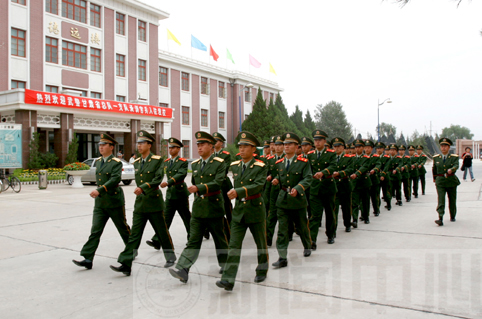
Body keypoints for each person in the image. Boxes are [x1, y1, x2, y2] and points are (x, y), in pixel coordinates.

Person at [110, 130, 176, 276]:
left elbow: (158, 178)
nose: (139, 146)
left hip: (154, 202)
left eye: (142, 143)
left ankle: (170, 256)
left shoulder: (157, 160)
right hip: (140, 204)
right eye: (138, 143)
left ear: (149, 144)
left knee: (162, 232)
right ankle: (126, 263)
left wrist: (143, 187)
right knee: (135, 235)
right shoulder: (137, 162)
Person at [169, 132, 229, 283]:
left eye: (202, 145)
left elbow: (218, 183)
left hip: (214, 206)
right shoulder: (195, 164)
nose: (199, 147)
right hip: (199, 208)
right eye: (198, 145)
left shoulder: (219, 163)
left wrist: (199, 188)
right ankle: (183, 269)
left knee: (219, 239)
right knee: (193, 240)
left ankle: (226, 265)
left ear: (211, 146)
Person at [216, 131, 269, 291]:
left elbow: (258, 186)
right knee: (234, 246)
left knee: (260, 243)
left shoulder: (261, 166)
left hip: (255, 209)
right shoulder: (235, 166)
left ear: (253, 149)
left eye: (246, 146)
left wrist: (239, 192)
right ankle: (228, 279)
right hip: (239, 210)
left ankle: (262, 269)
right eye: (240, 146)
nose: (242, 149)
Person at [73, 133, 131, 270]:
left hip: (114, 200)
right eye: (100, 145)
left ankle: (131, 250)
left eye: (104, 145)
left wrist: (100, 189)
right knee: (95, 230)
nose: (101, 147)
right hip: (100, 203)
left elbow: (115, 179)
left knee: (123, 228)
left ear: (111, 147)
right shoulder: (98, 161)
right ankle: (88, 258)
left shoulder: (116, 163)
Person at [271, 132, 313, 269]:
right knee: (282, 230)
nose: (286, 146)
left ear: (296, 147)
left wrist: (299, 188)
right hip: (283, 200)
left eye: (290, 144)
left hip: (298, 200)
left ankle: (307, 245)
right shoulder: (279, 163)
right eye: (285, 144)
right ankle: (282, 257)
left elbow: (308, 178)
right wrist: (277, 179)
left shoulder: (303, 163)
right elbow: (279, 175)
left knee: (301, 226)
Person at [146, 138, 191, 249]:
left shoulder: (183, 162)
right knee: (165, 218)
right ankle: (158, 240)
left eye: (172, 147)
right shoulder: (166, 162)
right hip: (171, 194)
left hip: (180, 193)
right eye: (169, 147)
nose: (170, 149)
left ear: (178, 149)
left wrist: (168, 182)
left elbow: (181, 174)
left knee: (186, 218)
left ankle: (192, 239)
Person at [307, 130, 337, 247]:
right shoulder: (310, 155)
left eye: (319, 140)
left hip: (328, 186)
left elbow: (333, 166)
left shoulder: (331, 153)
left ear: (324, 141)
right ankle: (312, 239)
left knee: (329, 212)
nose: (317, 142)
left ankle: (330, 234)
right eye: (315, 140)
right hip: (315, 188)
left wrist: (323, 173)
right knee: (315, 215)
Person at [432, 138, 460, 226]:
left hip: (451, 181)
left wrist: (452, 169)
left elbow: (456, 165)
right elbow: (434, 169)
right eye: (442, 146)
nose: (443, 148)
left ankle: (452, 215)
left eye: (445, 146)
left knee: (452, 199)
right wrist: (435, 178)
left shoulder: (454, 157)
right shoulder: (436, 158)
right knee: (441, 200)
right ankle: (440, 217)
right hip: (440, 182)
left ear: (448, 147)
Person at [212, 132, 233, 242]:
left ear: (221, 143)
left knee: (227, 207)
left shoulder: (225, 155)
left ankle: (231, 227)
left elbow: (224, 168)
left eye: (216, 141)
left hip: (223, 184)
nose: (214, 143)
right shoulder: (210, 154)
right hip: (212, 184)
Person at [332, 137, 354, 233]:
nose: (336, 148)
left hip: (344, 185)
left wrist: (340, 173)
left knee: (346, 207)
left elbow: (350, 169)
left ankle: (347, 224)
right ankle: (333, 229)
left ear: (343, 147)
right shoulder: (330, 158)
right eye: (335, 146)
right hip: (334, 186)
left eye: (339, 146)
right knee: (334, 208)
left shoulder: (348, 158)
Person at [266, 135, 285, 247]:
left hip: (284, 190)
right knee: (272, 214)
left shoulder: (287, 159)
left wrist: (278, 178)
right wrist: (268, 176)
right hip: (273, 190)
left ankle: (289, 233)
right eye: (275, 145)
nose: (277, 147)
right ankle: (268, 238)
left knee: (284, 215)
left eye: (279, 145)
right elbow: (267, 172)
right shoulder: (270, 160)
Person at [350, 139, 372, 226]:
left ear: (363, 148)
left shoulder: (366, 158)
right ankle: (354, 219)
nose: (358, 149)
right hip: (354, 183)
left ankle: (366, 217)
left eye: (359, 147)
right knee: (354, 202)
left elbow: (365, 167)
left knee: (365, 201)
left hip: (364, 182)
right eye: (356, 147)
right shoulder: (352, 158)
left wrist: (356, 174)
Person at [365, 140, 382, 217]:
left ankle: (376, 209)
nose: (367, 149)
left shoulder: (375, 157)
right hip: (364, 180)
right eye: (366, 147)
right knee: (364, 198)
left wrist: (374, 170)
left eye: (368, 148)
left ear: (372, 149)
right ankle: (364, 214)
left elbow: (378, 165)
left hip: (373, 179)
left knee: (374, 196)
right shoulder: (362, 157)